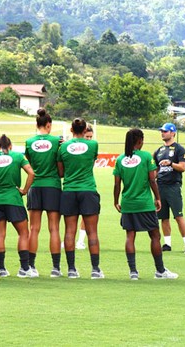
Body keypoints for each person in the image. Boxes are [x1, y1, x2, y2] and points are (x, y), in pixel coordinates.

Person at [113, 128, 178, 280]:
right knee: (155, 235)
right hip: (144, 204)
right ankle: (160, 271)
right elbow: (152, 179)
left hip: (128, 203)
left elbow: (117, 184)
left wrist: (116, 201)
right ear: (140, 140)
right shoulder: (146, 156)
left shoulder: (120, 159)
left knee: (130, 236)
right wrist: (158, 197)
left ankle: (133, 272)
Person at [0, 134, 35, 277]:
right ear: (10, 146)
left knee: (0, 235)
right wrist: (25, 190)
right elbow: (31, 173)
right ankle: (24, 268)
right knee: (23, 233)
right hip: (14, 198)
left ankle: (2, 269)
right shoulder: (17, 156)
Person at [57, 118, 103, 279]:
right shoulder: (93, 144)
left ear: (71, 130)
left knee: (70, 231)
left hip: (69, 190)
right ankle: (95, 269)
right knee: (92, 232)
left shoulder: (62, 147)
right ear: (85, 131)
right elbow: (91, 163)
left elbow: (61, 172)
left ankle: (71, 269)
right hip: (88, 190)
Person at [25, 108, 63, 277]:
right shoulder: (57, 141)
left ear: (36, 124)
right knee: (54, 228)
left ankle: (31, 266)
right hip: (52, 186)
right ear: (49, 125)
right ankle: (55, 268)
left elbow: (30, 164)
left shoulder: (28, 142)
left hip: (35, 186)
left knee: (34, 228)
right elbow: (60, 165)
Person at [153, 122, 185, 254]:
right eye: (162, 131)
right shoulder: (158, 151)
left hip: (173, 186)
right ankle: (167, 244)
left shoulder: (179, 149)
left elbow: (182, 167)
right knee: (163, 217)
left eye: (165, 131)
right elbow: (155, 170)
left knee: (178, 216)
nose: (162, 133)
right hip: (160, 187)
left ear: (173, 133)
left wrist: (170, 163)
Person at [75, 125, 95, 250]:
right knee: (71, 216)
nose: (88, 139)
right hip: (72, 186)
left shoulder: (91, 149)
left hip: (86, 186)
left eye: (90, 137)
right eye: (86, 136)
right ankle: (71, 241)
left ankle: (80, 241)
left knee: (85, 215)